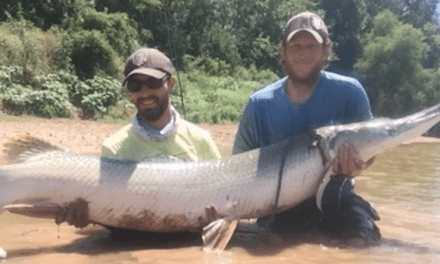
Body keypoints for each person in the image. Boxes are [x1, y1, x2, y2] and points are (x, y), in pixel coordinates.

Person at [233, 11, 381, 243]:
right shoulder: (259, 104)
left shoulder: (351, 92)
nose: (304, 54)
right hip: (276, 211)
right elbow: (238, 167)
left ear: (326, 50)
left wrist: (358, 165)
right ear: (282, 51)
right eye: (296, 47)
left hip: (337, 201)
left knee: (363, 246)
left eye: (312, 46)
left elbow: (370, 151)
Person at [56, 48, 222, 233]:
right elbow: (112, 209)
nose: (144, 93)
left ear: (171, 83)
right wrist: (89, 215)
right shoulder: (113, 148)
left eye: (153, 83)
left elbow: (225, 197)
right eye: (135, 86)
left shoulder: (201, 140)